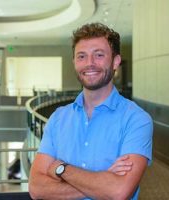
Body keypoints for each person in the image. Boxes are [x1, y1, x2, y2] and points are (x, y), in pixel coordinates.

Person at [28, 22, 153, 200]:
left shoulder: (136, 120)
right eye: (81, 56)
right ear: (74, 62)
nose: (89, 64)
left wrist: (61, 169)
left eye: (99, 55)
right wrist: (102, 180)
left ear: (115, 61)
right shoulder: (58, 118)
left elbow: (118, 192)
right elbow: (36, 188)